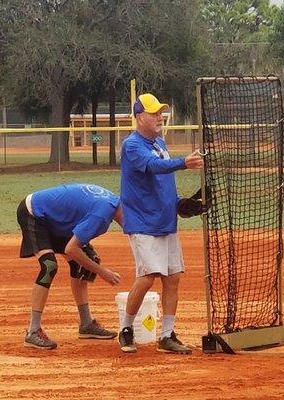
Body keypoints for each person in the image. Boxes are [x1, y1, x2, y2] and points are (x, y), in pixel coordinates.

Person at [118, 93, 204, 354]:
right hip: (144, 222)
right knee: (147, 277)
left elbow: (162, 180)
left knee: (173, 277)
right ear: (139, 117)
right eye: (154, 113)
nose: (160, 117)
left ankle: (166, 335)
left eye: (161, 112)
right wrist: (183, 163)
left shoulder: (158, 142)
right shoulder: (132, 145)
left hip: (165, 221)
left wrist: (179, 202)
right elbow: (154, 167)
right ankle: (126, 328)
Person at [16, 183, 122, 350]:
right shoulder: (101, 216)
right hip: (34, 212)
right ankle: (33, 331)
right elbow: (71, 249)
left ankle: (86, 324)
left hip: (55, 218)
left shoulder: (112, 202)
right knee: (49, 266)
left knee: (88, 261)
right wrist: (103, 272)